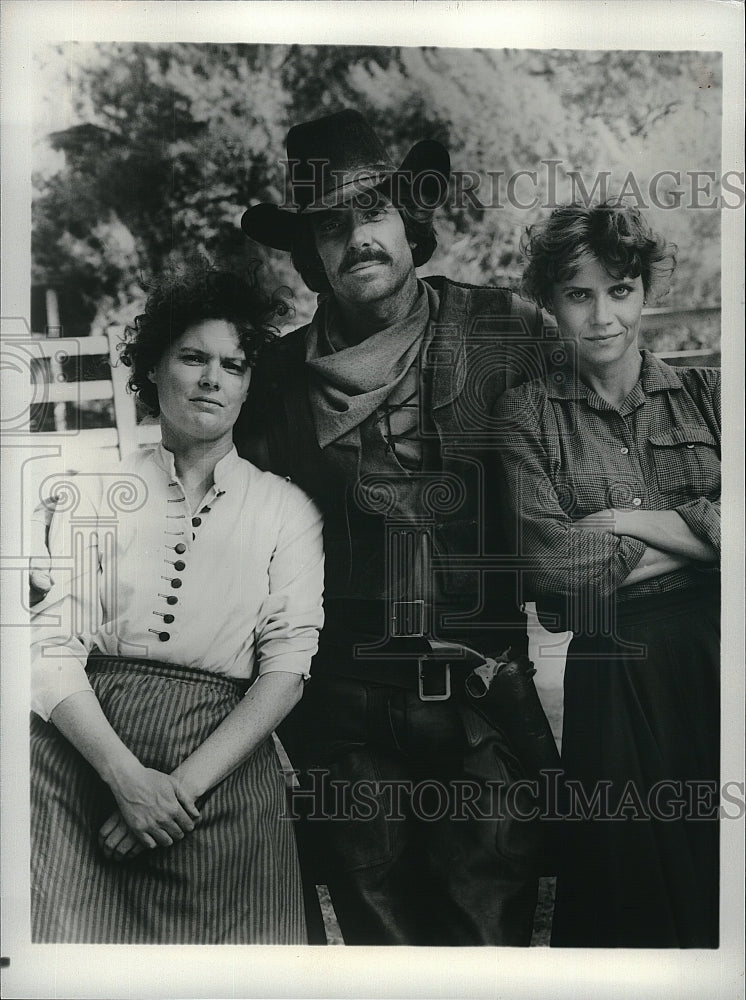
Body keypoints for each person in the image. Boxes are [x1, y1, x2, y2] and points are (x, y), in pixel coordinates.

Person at [236, 109, 557, 946]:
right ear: (312, 256)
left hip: (482, 702)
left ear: (410, 224)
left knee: (489, 948)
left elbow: (597, 454)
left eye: (373, 212)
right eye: (331, 227)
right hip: (344, 720)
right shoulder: (270, 382)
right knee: (384, 954)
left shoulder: (507, 332)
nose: (357, 239)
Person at [29, 259, 324, 943]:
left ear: (251, 385)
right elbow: (49, 648)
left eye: (233, 363)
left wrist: (177, 793)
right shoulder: (97, 493)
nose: (212, 378)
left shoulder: (285, 510)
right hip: (81, 771)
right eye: (192, 357)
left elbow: (286, 671)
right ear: (154, 369)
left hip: (220, 780)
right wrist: (124, 779)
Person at [493, 202, 720, 947]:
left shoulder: (711, 396)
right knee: (636, 907)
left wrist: (615, 522)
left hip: (723, 658)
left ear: (644, 293)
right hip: (615, 675)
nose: (602, 317)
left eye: (619, 291)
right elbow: (554, 574)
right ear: (551, 302)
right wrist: (703, 529)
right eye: (578, 294)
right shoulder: (526, 414)